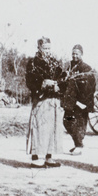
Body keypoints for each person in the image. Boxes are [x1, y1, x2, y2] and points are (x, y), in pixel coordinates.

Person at [26, 37, 64, 168]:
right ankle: (36, 157)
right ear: (39, 48)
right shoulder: (33, 62)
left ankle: (49, 156)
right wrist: (43, 84)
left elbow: (62, 78)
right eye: (45, 48)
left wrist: (59, 85)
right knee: (39, 127)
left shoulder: (56, 63)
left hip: (53, 100)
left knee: (52, 129)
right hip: (41, 99)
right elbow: (30, 81)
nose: (47, 51)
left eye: (49, 48)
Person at [63, 44, 96, 155]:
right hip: (69, 101)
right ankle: (77, 143)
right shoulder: (68, 66)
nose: (74, 56)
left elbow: (89, 87)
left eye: (77, 54)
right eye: (73, 53)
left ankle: (79, 145)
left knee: (80, 123)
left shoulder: (86, 68)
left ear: (81, 54)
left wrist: (83, 102)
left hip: (81, 102)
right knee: (67, 122)